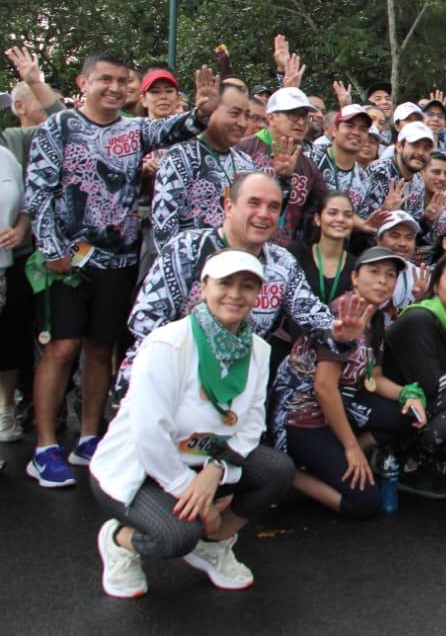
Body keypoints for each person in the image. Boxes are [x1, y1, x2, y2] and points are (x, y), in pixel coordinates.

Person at [24, 56, 219, 488]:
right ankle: (43, 448)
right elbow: (36, 192)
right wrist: (53, 248)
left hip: (119, 259)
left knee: (100, 347)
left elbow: (177, 128)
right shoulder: (58, 128)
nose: (114, 87)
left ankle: (90, 436)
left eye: (122, 81)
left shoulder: (133, 130)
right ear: (83, 82)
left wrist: (204, 111)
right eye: (104, 80)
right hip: (67, 264)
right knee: (61, 347)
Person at [88, 250, 298, 598]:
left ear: (257, 295)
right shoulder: (168, 345)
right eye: (225, 283)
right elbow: (148, 435)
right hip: (141, 468)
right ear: (203, 288)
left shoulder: (259, 350)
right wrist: (189, 488)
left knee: (277, 471)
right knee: (176, 537)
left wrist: (214, 472)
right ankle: (119, 541)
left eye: (247, 286)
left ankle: (213, 543)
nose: (235, 294)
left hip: (204, 461)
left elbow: (251, 425)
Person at [120, 173, 360, 398]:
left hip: (237, 387)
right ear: (229, 206)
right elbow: (146, 324)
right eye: (253, 203)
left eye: (273, 207)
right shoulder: (187, 249)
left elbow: (311, 313)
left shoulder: (282, 262)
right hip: (167, 379)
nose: (264, 214)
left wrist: (337, 332)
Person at [274, 247, 421, 518]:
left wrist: (408, 395)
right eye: (374, 272)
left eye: (390, 275)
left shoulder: (375, 318)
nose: (382, 281)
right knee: (366, 503)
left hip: (343, 404)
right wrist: (351, 447)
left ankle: (337, 454)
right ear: (354, 277)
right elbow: (323, 387)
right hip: (303, 415)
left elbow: (373, 378)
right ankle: (288, 473)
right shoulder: (342, 313)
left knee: (406, 417)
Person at [383, 252, 446, 497]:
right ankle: (409, 466)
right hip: (397, 404)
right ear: (436, 285)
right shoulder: (420, 318)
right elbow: (430, 384)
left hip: (426, 403)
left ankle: (426, 464)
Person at [151, 81, 258, 249]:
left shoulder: (246, 162)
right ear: (211, 110)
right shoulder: (181, 157)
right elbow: (164, 231)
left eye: (247, 115)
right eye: (235, 113)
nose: (242, 123)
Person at [237, 87, 327, 246]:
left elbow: (321, 207)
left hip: (281, 255)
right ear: (271, 118)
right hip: (241, 246)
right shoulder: (243, 150)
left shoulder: (309, 166)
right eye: (293, 114)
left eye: (305, 116)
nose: (301, 122)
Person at [289, 191, 360, 308]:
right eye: (332, 213)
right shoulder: (296, 253)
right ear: (317, 219)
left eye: (347, 215)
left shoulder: (356, 265)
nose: (341, 219)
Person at [0, 143, 27, 442]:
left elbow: (24, 209)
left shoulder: (5, 157)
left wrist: (19, 230)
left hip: (4, 268)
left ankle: (5, 408)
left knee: (7, 343)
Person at [306, 104, 373, 222]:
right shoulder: (311, 159)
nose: (356, 132)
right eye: (349, 126)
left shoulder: (364, 179)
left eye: (363, 129)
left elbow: (362, 222)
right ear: (334, 130)